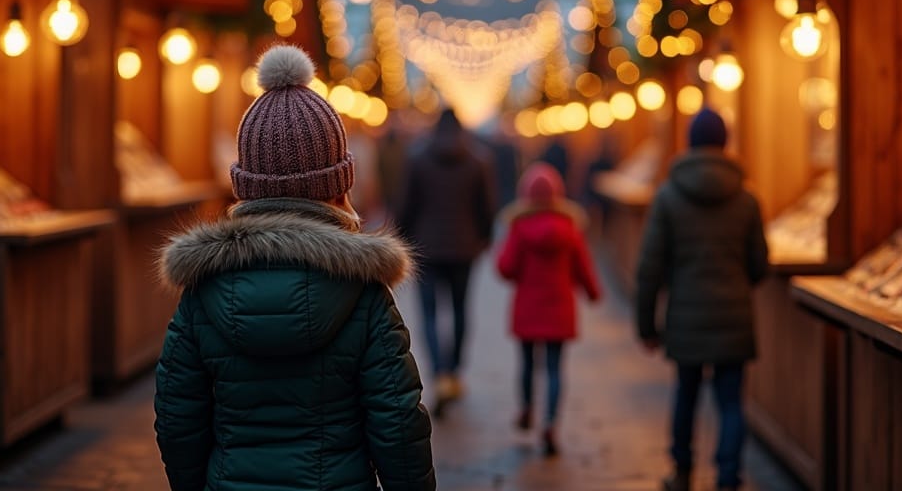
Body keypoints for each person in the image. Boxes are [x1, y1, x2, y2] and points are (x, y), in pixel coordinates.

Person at [153, 44, 436, 491]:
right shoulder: (362, 291)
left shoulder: (203, 290)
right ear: (339, 183)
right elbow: (398, 420)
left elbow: (176, 416)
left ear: (247, 184)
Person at [635, 107, 768, 491]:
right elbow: (759, 265)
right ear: (725, 143)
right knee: (730, 401)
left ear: (689, 142)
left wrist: (647, 325)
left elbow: (650, 267)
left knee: (686, 394)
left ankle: (681, 471)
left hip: (685, 318)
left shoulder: (668, 196)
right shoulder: (746, 199)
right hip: (734, 317)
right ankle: (728, 476)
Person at [495, 161, 602, 457]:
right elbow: (583, 266)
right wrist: (593, 293)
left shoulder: (518, 226)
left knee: (528, 364)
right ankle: (551, 423)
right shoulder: (570, 227)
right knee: (555, 369)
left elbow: (505, 267)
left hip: (528, 309)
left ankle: (527, 407)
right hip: (559, 310)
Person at [397, 107, 497, 416]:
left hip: (426, 248)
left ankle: (439, 373)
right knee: (459, 310)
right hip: (464, 248)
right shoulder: (479, 161)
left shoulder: (418, 158)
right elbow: (487, 207)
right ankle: (454, 372)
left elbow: (405, 206)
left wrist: (402, 239)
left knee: (428, 313)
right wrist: (484, 239)